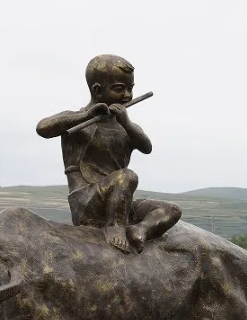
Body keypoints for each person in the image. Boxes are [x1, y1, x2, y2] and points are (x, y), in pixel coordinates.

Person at [36, 54, 181, 253]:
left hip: (121, 202)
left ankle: (140, 230)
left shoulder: (126, 127)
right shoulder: (78, 121)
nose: (127, 96)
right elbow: (43, 128)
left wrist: (127, 124)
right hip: (87, 201)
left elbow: (147, 147)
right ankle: (115, 228)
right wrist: (84, 116)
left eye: (131, 89)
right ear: (97, 90)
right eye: (120, 89)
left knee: (171, 211)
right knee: (127, 176)